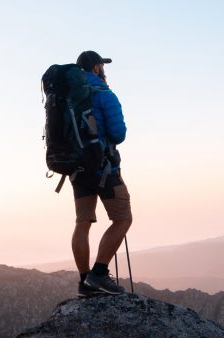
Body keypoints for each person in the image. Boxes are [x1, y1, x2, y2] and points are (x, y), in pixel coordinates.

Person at [73, 50, 132, 297]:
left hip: (76, 169)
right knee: (123, 219)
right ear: (96, 68)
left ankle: (84, 281)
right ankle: (99, 273)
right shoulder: (105, 95)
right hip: (104, 168)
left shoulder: (69, 97)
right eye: (101, 65)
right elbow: (118, 134)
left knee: (82, 223)